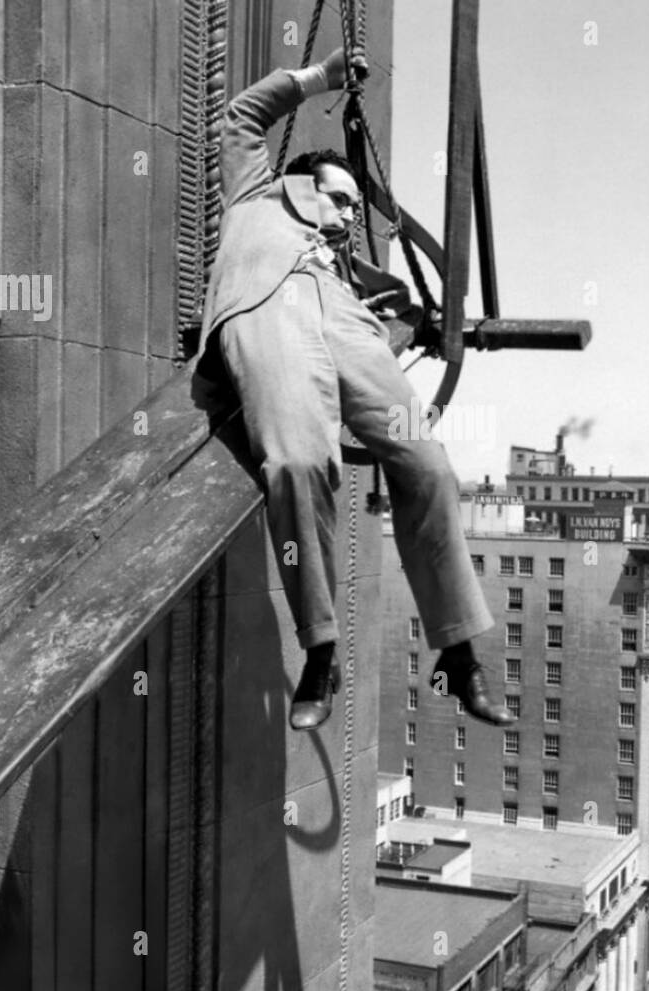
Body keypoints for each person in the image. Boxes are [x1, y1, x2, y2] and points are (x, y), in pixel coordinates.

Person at [194, 48, 508, 731]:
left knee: (428, 466)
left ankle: (458, 653)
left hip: (346, 328)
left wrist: (397, 313)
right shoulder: (255, 195)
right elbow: (239, 118)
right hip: (269, 317)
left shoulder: (348, 270)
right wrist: (321, 79)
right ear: (301, 186)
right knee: (302, 463)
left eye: (352, 205)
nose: (346, 214)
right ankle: (321, 650)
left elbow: (399, 308)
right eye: (337, 198)